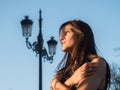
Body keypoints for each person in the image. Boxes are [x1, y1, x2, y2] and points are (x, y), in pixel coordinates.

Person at [50, 20, 111, 90]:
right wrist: (70, 81)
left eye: (66, 33)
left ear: (81, 36)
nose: (61, 38)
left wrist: (56, 84)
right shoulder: (63, 72)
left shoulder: (95, 64)